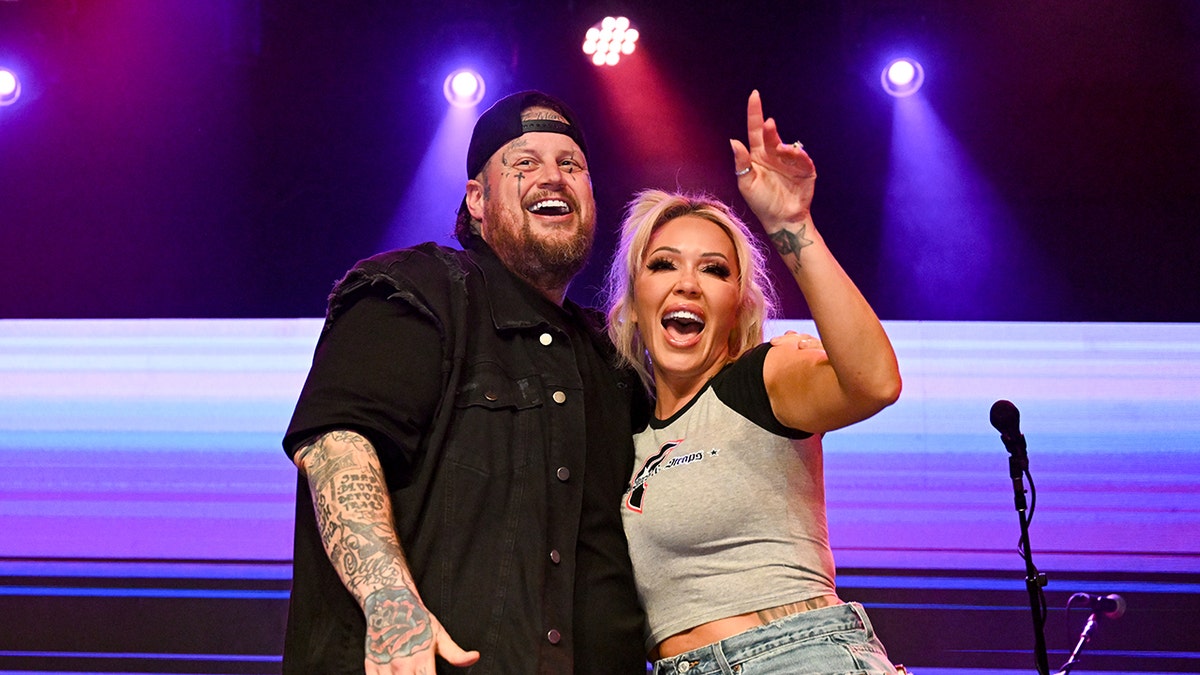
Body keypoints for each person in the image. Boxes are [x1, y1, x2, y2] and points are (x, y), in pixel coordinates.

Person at [281, 90, 649, 674]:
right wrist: (391, 602)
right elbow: (338, 445)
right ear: (477, 199)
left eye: (571, 165)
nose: (553, 177)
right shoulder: (420, 289)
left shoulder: (615, 357)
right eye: (524, 163)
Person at [604, 90, 903, 674]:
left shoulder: (761, 378)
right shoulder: (626, 435)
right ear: (634, 305)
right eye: (663, 264)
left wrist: (792, 225)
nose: (687, 283)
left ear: (738, 306)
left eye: (714, 270)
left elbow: (875, 383)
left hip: (796, 655)